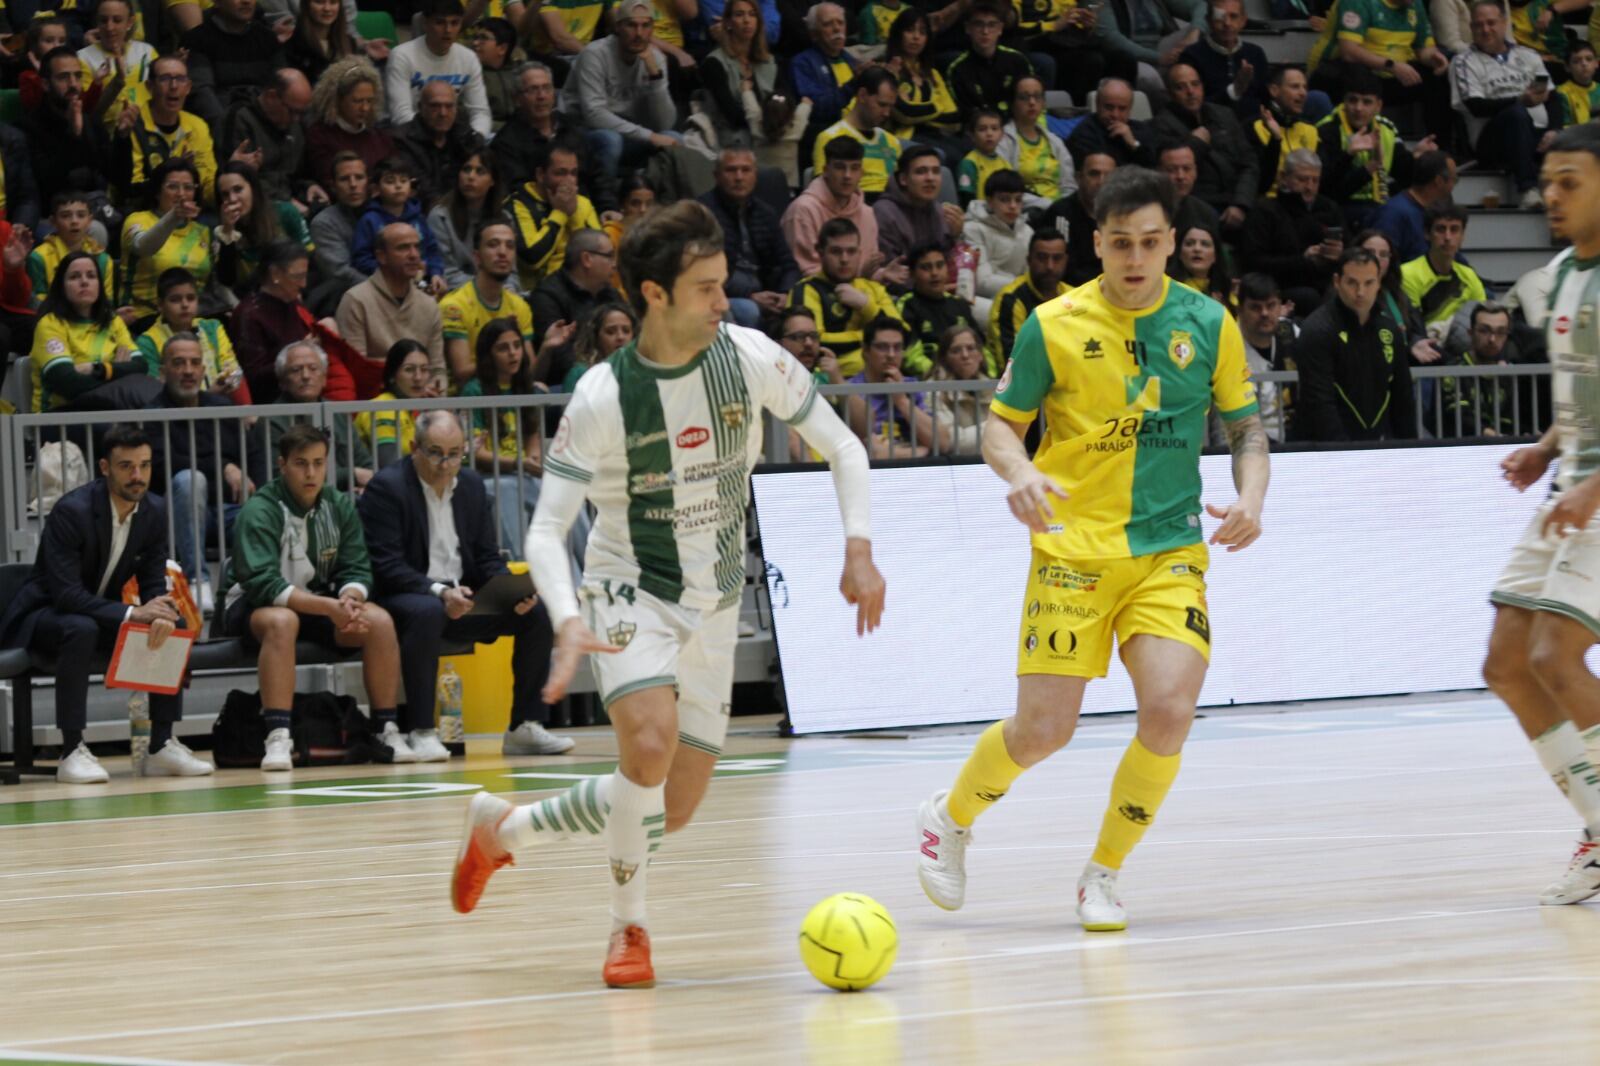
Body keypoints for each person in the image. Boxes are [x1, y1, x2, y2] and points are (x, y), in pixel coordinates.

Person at [450, 199, 885, 991]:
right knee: (645, 751)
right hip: (628, 591)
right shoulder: (602, 399)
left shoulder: (748, 356)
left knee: (670, 806)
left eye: (725, 286)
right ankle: (630, 931)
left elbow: (846, 445)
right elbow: (547, 532)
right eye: (708, 289)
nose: (728, 303)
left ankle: (505, 829)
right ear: (654, 295)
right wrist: (570, 615)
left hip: (714, 601)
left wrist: (858, 548)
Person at [914, 166, 1268, 932]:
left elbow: (1245, 428)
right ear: (1096, 244)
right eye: (1119, 244)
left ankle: (1102, 873)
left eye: (1150, 242)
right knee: (1044, 731)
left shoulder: (1210, 323)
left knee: (1170, 710)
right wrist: (1019, 474)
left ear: (1173, 241)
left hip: (1167, 548)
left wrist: (1251, 496)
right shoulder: (1052, 324)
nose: (1135, 259)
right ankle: (948, 816)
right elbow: (1002, 426)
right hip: (1071, 549)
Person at [1480, 123, 1600, 908]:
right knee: (1505, 663)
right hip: (1573, 484)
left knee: (1558, 654)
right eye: (1547, 181)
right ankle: (1597, 825)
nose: (1550, 196)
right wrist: (1545, 446)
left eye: (1570, 182)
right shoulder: (1557, 277)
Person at [0, 424, 214, 783]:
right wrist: (134, 613)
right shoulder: (72, 512)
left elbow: (150, 580)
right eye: (126, 466)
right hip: (43, 617)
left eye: (145, 466)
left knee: (171, 625)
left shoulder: (153, 511)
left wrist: (158, 611)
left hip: (100, 614)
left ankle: (161, 744)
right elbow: (66, 595)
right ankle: (71, 751)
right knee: (79, 627)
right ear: (104, 468)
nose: (137, 476)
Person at [359, 410, 570, 762]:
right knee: (426, 611)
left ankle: (524, 726)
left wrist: (511, 589)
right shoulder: (388, 487)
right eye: (436, 452)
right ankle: (422, 730)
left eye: (454, 453)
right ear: (415, 448)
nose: (445, 464)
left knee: (536, 613)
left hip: (464, 595)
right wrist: (438, 591)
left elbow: (486, 556)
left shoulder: (471, 486)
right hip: (408, 596)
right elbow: (386, 565)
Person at [220, 423, 399, 772]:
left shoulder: (338, 505)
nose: (311, 472)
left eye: (319, 463)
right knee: (282, 620)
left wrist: (349, 598)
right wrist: (329, 608)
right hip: (251, 604)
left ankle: (384, 728)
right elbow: (262, 585)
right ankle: (278, 735)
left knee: (377, 619)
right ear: (282, 464)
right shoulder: (260, 509)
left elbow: (357, 568)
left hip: (317, 602)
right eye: (301, 463)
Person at [145, 333, 252, 614]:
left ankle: (255, 585)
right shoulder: (152, 414)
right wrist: (222, 467)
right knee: (190, 480)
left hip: (223, 511)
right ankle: (197, 580)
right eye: (179, 363)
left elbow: (245, 462)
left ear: (204, 370)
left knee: (267, 510)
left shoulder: (222, 409)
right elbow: (164, 467)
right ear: (163, 371)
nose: (188, 371)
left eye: (195, 363)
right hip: (175, 515)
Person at [1295, 247, 1417, 440]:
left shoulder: (1389, 330)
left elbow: (1403, 397)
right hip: (1323, 450)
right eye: (1352, 282)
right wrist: (1346, 453)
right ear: (1337, 282)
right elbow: (1319, 402)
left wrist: (1410, 449)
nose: (1360, 292)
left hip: (1376, 447)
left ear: (1379, 283)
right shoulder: (1317, 330)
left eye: (1369, 283)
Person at [1451, 0, 1558, 211]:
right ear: (1471, 28)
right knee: (1516, 114)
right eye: (1479, 25)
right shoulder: (1463, 61)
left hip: (1536, 135)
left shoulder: (1529, 56)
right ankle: (1528, 190)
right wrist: (1520, 101)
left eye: (1491, 23)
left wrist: (1555, 129)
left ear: (1504, 23)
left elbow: (1552, 97)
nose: (1485, 29)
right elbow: (1476, 106)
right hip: (1491, 141)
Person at [1307, 0, 1452, 151]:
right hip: (1348, 70)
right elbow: (1349, 51)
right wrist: (1392, 66)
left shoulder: (1415, 5)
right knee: (1354, 74)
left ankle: (1438, 150)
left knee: (1439, 76)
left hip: (1389, 74)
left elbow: (1424, 49)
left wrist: (1434, 59)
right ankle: (1347, 145)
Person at [563, 0, 681, 178]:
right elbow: (594, 115)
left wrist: (655, 78)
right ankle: (605, 202)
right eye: (631, 25)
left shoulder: (655, 59)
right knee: (611, 140)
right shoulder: (594, 54)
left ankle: (665, 201)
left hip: (631, 134)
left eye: (645, 26)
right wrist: (649, 136)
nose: (639, 34)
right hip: (585, 132)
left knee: (675, 138)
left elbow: (664, 124)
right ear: (618, 27)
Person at [491, 61, 616, 217]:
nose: (541, 96)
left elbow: (597, 174)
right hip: (539, 218)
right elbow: (519, 192)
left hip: (584, 212)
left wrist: (607, 207)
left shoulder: (570, 128)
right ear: (517, 98)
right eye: (533, 90)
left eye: (546, 88)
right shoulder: (506, 142)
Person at [1317, 66, 1432, 231]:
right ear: (1343, 101)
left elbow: (1404, 175)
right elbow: (1326, 190)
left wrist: (1417, 157)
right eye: (1352, 100)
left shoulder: (1386, 128)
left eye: (1366, 102)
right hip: (1340, 208)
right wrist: (1349, 155)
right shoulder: (1327, 129)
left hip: (1378, 206)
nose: (1358, 108)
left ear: (1378, 106)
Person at [787, 218, 905, 376]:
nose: (844, 259)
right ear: (820, 252)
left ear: (859, 253)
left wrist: (866, 305)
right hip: (828, 383)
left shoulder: (874, 290)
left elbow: (902, 334)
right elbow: (813, 342)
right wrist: (869, 338)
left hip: (882, 379)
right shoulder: (806, 289)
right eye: (836, 251)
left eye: (851, 251)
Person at [337, 222, 448, 385]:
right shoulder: (356, 300)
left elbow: (438, 368)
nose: (414, 255)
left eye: (417, 247)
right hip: (375, 404)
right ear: (381, 256)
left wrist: (435, 395)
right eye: (403, 248)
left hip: (424, 403)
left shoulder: (429, 305)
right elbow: (357, 369)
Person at [700, 147, 799, 329]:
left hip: (767, 293)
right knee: (749, 310)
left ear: (755, 175)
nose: (739, 177)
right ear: (716, 175)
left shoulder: (767, 213)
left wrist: (785, 293)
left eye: (746, 170)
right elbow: (703, 273)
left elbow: (788, 264)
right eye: (731, 170)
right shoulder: (702, 214)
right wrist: (751, 296)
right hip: (723, 296)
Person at [1152, 62, 1258, 231]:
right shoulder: (1161, 125)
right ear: (1170, 94)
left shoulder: (1224, 115)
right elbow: (1175, 173)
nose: (1190, 92)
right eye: (1181, 87)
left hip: (1237, 198)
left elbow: (1249, 164)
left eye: (1195, 84)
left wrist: (1241, 203)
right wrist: (1196, 144)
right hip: (1200, 202)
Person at [1237, 148, 1344, 312]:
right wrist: (1303, 259)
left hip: (1325, 283)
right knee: (1310, 297)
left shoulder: (1329, 208)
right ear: (1283, 177)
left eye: (1315, 180)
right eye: (1302, 179)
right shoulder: (1265, 211)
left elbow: (1350, 249)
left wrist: (1339, 255)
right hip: (1281, 287)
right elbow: (1254, 262)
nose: (1310, 187)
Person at [29, 250, 136, 412]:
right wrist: (117, 372)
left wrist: (97, 369)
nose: (84, 282)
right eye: (74, 277)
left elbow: (140, 366)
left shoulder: (113, 321)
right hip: (57, 419)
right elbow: (68, 384)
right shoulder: (50, 324)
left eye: (91, 276)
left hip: (108, 411)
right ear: (61, 286)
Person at [263, 340, 375, 489]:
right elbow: (280, 476)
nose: (306, 375)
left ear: (324, 379)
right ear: (282, 381)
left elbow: (365, 462)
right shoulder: (272, 421)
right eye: (296, 370)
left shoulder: (337, 414)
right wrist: (352, 476)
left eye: (313, 368)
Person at [116, 55, 221, 210]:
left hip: (189, 211)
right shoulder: (133, 124)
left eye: (180, 79)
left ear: (188, 87)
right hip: (145, 214)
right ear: (149, 87)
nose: (173, 86)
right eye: (165, 79)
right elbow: (132, 191)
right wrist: (175, 170)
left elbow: (207, 187)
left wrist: (228, 180)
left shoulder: (197, 126)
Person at [440, 219, 535, 388]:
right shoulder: (455, 306)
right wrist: (502, 359)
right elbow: (461, 373)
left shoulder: (520, 306)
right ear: (477, 257)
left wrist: (548, 346)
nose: (502, 252)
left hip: (509, 392)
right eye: (493, 245)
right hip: (470, 396)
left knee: (541, 389)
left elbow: (530, 369)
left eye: (510, 246)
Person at [133, 268, 249, 404]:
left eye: (191, 298)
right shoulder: (148, 341)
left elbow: (231, 369)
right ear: (160, 305)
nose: (185, 305)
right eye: (175, 300)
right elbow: (155, 390)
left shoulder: (213, 327)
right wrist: (206, 397)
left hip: (220, 406)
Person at [18, 46, 113, 207]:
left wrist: (124, 138)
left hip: (94, 209)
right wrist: (73, 135)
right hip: (52, 215)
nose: (73, 84)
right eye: (63, 77)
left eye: (78, 76)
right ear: (46, 84)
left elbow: (117, 176)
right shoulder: (27, 128)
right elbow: (45, 186)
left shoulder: (91, 122)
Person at [528, 228, 623, 386]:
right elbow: (560, 361)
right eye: (609, 256)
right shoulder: (548, 296)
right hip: (564, 387)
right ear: (587, 259)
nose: (614, 264)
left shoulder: (611, 295)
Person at [386, 0, 492, 138]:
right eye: (440, 23)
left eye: (455, 23)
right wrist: (437, 142)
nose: (448, 30)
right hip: (412, 137)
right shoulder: (402, 56)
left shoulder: (469, 58)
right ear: (425, 23)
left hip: (454, 138)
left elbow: (480, 112)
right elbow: (401, 115)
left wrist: (474, 140)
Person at [780, 136, 880, 278]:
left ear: (861, 173)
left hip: (862, 290)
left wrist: (882, 274)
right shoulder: (803, 210)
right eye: (840, 167)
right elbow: (806, 270)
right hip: (815, 292)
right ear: (825, 170)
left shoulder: (867, 213)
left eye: (854, 168)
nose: (847, 175)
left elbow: (869, 268)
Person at [507, 141, 602, 292]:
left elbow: (600, 253)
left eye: (573, 173)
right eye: (560, 173)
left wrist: (573, 214)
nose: (569, 181)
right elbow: (532, 258)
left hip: (581, 290)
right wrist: (561, 213)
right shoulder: (518, 204)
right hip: (537, 293)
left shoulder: (583, 203)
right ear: (540, 175)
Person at [846, 315, 946, 457]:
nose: (891, 355)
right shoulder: (851, 391)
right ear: (865, 351)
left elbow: (942, 443)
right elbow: (870, 453)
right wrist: (918, 453)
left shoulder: (913, 387)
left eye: (898, 347)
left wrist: (902, 401)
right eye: (882, 347)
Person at [212, 162, 315, 298]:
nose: (232, 199)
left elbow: (311, 264)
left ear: (253, 188)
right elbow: (227, 280)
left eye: (238, 190)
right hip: (252, 301)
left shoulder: (285, 213)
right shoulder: (223, 231)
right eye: (225, 195)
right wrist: (228, 232)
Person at [218, 69, 315, 209]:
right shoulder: (240, 119)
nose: (296, 119)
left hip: (293, 201)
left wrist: (309, 186)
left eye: (302, 113)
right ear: (271, 96)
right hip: (259, 207)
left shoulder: (295, 124)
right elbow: (241, 181)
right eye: (293, 111)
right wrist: (286, 204)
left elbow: (297, 174)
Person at [181, 0, 289, 126]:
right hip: (219, 126)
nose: (246, 2)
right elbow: (203, 95)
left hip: (265, 122)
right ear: (217, 2)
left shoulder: (268, 39)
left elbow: (282, 86)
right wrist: (230, 128)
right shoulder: (197, 40)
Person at [699, 0, 793, 144]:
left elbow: (787, 98)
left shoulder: (769, 61)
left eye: (752, 15)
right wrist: (771, 116)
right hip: (733, 136)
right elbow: (732, 116)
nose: (747, 20)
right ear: (728, 22)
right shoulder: (714, 63)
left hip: (771, 130)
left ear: (758, 22)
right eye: (739, 15)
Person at [350, 157, 448, 294]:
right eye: (390, 181)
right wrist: (392, 270)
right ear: (376, 188)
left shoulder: (418, 218)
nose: (398, 186)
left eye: (403, 181)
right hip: (385, 285)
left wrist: (436, 273)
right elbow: (361, 259)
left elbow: (432, 250)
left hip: (421, 281)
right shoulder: (370, 220)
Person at [811, 66, 903, 200]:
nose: (887, 113)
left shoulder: (892, 141)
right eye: (882, 105)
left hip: (892, 209)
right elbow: (824, 193)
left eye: (890, 106)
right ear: (862, 95)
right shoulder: (830, 137)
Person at [985, 229, 1067, 377]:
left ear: (1065, 260)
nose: (1050, 266)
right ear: (1029, 260)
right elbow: (1014, 364)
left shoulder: (1075, 296)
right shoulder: (1010, 299)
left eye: (1057, 258)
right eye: (1042, 258)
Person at [1400, 202, 1486, 343]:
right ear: (1427, 234)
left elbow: (1483, 317)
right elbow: (1414, 327)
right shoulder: (1407, 274)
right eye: (1440, 229)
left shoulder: (1468, 275)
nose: (1447, 237)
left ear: (1462, 236)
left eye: (1454, 230)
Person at [394, 81, 488, 209]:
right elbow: (422, 188)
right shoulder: (402, 140)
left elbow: (487, 175)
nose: (443, 113)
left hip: (465, 209)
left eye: (449, 106)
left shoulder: (466, 136)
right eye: (435, 106)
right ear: (420, 107)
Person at [305, 58, 394, 192]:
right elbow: (331, 183)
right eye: (357, 101)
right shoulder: (319, 136)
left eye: (369, 101)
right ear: (338, 100)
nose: (365, 108)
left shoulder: (381, 138)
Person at [884, 8, 960, 161]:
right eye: (910, 30)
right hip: (904, 138)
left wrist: (919, 110)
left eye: (922, 32)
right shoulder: (889, 71)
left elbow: (954, 120)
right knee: (949, 157)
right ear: (898, 34)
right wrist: (937, 106)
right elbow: (903, 113)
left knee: (969, 150)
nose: (916, 37)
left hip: (935, 136)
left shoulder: (933, 74)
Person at [428, 148, 506, 292]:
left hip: (500, 294)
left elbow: (511, 273)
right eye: (466, 169)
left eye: (480, 171)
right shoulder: (440, 217)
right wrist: (489, 286)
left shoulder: (505, 219)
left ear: (493, 181)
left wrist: (508, 290)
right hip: (457, 296)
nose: (470, 177)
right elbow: (447, 274)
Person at [896, 242, 979, 375]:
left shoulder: (959, 304)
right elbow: (910, 354)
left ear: (948, 269)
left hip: (967, 378)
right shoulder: (907, 305)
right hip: (928, 383)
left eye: (939, 265)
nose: (934, 273)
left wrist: (984, 373)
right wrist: (942, 376)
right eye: (925, 268)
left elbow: (982, 348)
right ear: (912, 274)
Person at [354, 339, 440, 467]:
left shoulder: (414, 410)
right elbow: (389, 465)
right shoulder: (383, 408)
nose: (418, 377)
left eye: (424, 369)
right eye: (409, 369)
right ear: (392, 376)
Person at [947, 1, 1034, 124]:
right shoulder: (957, 69)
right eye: (979, 24)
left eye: (992, 25)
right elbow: (967, 114)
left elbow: (1031, 101)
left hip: (1016, 127)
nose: (985, 31)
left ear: (1000, 29)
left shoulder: (1018, 61)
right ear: (967, 28)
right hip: (980, 133)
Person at [874, 145, 962, 266]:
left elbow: (947, 263)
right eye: (921, 172)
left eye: (936, 171)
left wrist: (955, 236)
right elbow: (890, 269)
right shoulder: (884, 213)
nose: (930, 178)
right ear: (903, 179)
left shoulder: (937, 209)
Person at [1037, 151, 1116, 285]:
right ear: (1079, 178)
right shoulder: (1061, 213)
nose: (1101, 182)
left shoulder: (1123, 214)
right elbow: (1065, 270)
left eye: (1108, 176)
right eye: (1094, 174)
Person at [1179, 0, 1269, 117]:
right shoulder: (1191, 56)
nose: (1227, 23)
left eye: (1233, 16)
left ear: (1243, 20)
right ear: (1208, 21)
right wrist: (1235, 90)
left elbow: (1265, 100)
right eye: (1219, 17)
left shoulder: (1255, 53)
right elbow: (1192, 107)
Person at [999, 76, 1077, 212]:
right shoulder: (1003, 141)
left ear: (1044, 103)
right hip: (1023, 212)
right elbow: (1005, 187)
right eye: (1024, 97)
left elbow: (1069, 186)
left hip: (1059, 211)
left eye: (1037, 96)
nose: (1032, 102)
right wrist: (1049, 206)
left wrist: (1064, 208)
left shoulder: (1055, 141)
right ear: (1012, 103)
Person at [308, 152, 371, 314]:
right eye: (344, 179)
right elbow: (341, 273)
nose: (353, 184)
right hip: (343, 301)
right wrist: (384, 290)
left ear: (369, 182)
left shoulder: (384, 212)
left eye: (359, 177)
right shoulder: (324, 223)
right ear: (333, 186)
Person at [27, 191, 112, 311]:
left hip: (93, 321)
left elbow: (106, 302)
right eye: (65, 216)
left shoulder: (103, 259)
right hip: (54, 321)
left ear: (90, 220)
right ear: (53, 221)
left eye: (81, 215)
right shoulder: (38, 257)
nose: (74, 221)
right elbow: (38, 304)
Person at [967, 169, 1032, 324]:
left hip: (1018, 295)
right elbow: (982, 282)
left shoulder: (1028, 232)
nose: (1012, 206)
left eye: (1018, 200)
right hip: (980, 299)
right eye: (1004, 199)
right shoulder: (972, 229)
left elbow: (1031, 276)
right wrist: (1023, 285)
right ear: (989, 201)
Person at [1369, 149, 1455, 265]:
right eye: (1453, 180)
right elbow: (1382, 264)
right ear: (1439, 181)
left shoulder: (1436, 211)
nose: (1453, 187)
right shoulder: (1392, 215)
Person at [1234, 272, 1291, 440]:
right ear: (1240, 310)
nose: (1265, 313)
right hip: (1246, 442)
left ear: (1280, 306)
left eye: (1271, 305)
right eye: (1255, 307)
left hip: (1293, 441)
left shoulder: (1292, 334)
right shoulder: (1227, 345)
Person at [790, 2, 861, 136]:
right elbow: (817, 108)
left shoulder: (852, 61)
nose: (837, 29)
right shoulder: (803, 63)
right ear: (813, 34)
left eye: (840, 23)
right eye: (828, 24)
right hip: (830, 136)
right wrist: (854, 83)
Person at [1251, 65, 1319, 197]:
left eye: (1305, 87)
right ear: (1274, 90)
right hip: (1268, 204)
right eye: (1295, 87)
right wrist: (1275, 140)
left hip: (1305, 203)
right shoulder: (1254, 127)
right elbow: (1259, 184)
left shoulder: (1311, 130)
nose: (1303, 93)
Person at [925, 323, 991, 455]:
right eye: (956, 350)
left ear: (980, 355)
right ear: (944, 358)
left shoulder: (994, 387)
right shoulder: (932, 391)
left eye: (971, 348)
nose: (965, 355)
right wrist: (997, 428)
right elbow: (952, 442)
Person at [1066, 77, 1157, 168]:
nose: (1115, 115)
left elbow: (1153, 167)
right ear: (1097, 105)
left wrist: (1133, 144)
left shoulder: (1141, 129)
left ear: (1130, 109)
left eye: (1122, 109)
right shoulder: (1084, 135)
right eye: (1109, 107)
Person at [565, 301, 637, 391]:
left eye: (626, 331)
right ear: (596, 337)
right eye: (610, 332)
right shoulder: (581, 373)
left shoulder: (644, 372)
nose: (620, 337)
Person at [1170, 223, 1234, 308]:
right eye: (1189, 244)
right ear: (1180, 253)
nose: (1197, 249)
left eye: (1205, 244)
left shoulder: (1227, 293)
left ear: (1215, 256)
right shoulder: (1166, 288)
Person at [958, 107, 1013, 207]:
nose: (989, 134)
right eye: (982, 129)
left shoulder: (1005, 164)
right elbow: (967, 200)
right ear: (972, 135)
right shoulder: (969, 163)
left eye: (994, 128)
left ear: (1002, 134)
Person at [473, 17, 521, 128]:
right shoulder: (471, 75)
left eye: (483, 38)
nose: (475, 43)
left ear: (502, 49)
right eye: (475, 37)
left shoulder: (520, 71)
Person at [1556, 41, 1600, 126]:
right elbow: (1564, 129)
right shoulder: (1561, 93)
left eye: (1589, 59)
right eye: (1576, 61)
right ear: (1567, 67)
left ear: (1596, 63)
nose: (1584, 63)